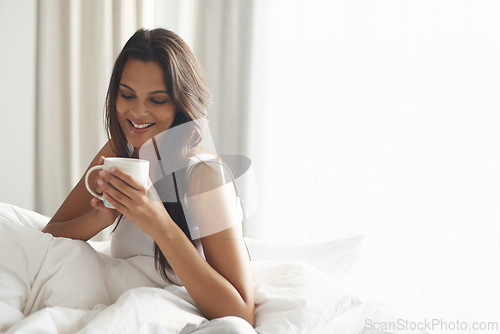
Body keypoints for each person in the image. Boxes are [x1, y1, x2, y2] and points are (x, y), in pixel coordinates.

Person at [42, 28, 255, 330]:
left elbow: (241, 313)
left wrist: (157, 221)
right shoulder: (122, 149)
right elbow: (50, 235)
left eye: (157, 100)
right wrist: (101, 217)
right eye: (127, 95)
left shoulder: (203, 176)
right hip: (121, 304)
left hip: (170, 315)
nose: (138, 112)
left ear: (182, 103)